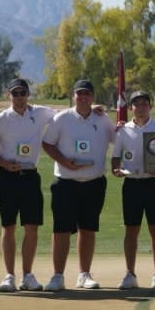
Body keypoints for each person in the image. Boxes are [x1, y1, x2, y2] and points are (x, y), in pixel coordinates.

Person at [41, 79, 115, 291]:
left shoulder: (102, 119)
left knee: (88, 229)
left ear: (92, 97)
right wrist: (65, 162)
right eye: (79, 93)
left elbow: (117, 138)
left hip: (94, 183)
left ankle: (84, 274)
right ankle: (58, 276)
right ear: (73, 96)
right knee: (61, 230)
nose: (83, 97)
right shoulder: (62, 118)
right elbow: (47, 143)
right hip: (66, 183)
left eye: (87, 94)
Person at [0, 78, 55, 292]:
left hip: (30, 177)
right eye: (15, 93)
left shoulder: (40, 113)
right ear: (8, 96)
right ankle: (9, 275)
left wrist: (94, 108)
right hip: (7, 178)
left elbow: (66, 116)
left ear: (28, 94)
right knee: (8, 227)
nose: (19, 97)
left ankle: (27, 275)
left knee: (31, 227)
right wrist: (3, 163)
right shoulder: (0, 119)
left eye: (23, 93)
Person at [111, 91, 155, 290]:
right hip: (131, 184)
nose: (141, 107)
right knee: (131, 229)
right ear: (131, 108)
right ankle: (130, 274)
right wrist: (116, 170)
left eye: (145, 104)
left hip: (153, 183)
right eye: (137, 104)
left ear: (150, 107)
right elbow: (115, 157)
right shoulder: (123, 130)